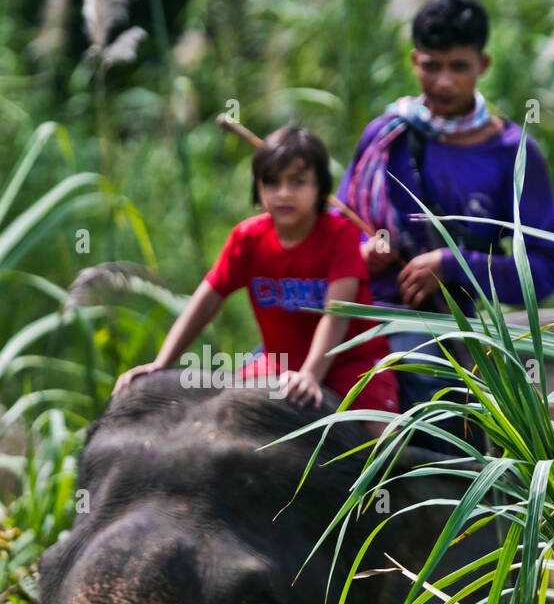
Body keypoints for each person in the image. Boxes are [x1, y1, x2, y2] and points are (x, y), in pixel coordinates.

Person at [336, 0, 554, 446]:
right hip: (354, 310)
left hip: (441, 327)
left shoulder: (512, 153)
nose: (441, 82)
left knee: (431, 410)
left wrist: (453, 265)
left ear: (483, 64)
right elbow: (335, 228)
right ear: (413, 60)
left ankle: (457, 509)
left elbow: (543, 272)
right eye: (430, 65)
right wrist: (360, 252)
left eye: (457, 67)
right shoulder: (385, 136)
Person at [114, 125, 399, 437]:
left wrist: (310, 374)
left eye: (298, 182)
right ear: (258, 188)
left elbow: (338, 314)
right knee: (222, 424)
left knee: (382, 440)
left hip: (352, 365)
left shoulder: (340, 235)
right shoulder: (247, 238)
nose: (284, 193)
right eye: (272, 182)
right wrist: (161, 363)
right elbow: (206, 299)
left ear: (320, 188)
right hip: (278, 364)